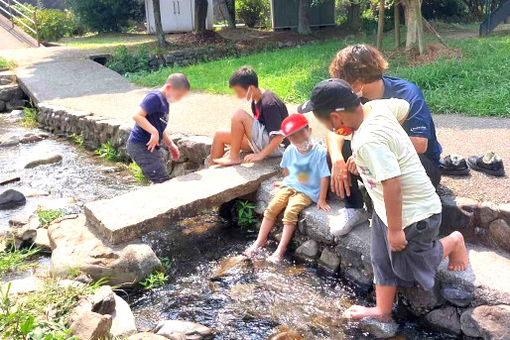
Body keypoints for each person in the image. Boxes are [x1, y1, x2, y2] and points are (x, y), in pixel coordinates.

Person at [302, 78, 468, 321]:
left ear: (337, 118)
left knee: (409, 267)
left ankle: (454, 242)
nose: (329, 129)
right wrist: (375, 156)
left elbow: (393, 185)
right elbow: (404, 107)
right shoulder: (376, 108)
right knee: (381, 260)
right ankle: (382, 310)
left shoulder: (369, 140)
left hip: (414, 212)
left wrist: (396, 230)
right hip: (384, 209)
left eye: (326, 123)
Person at [316, 44, 442, 232]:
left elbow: (420, 144)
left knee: (374, 158)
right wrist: (337, 160)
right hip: (378, 157)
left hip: (421, 164)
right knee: (336, 150)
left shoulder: (407, 94)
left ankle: (392, 215)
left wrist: (363, 156)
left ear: (357, 84)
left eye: (342, 83)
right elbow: (335, 130)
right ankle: (354, 208)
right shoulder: (352, 100)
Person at [245, 114, 331, 262]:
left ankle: (281, 249)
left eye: (301, 135)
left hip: (308, 191)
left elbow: (324, 177)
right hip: (291, 185)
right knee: (272, 207)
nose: (299, 141)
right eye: (293, 138)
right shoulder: (291, 150)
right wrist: (286, 181)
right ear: (289, 139)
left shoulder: (319, 153)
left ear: (309, 131)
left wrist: (322, 199)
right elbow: (286, 169)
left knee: (291, 211)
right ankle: (260, 240)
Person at [211, 66, 289, 166]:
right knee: (219, 135)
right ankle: (211, 170)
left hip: (278, 147)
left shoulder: (269, 103)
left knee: (239, 115)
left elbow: (279, 137)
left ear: (251, 88)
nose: (238, 96)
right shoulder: (255, 100)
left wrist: (260, 155)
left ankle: (234, 157)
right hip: (263, 141)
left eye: (239, 92)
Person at [126, 73, 190, 183]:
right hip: (140, 145)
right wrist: (154, 132)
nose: (179, 99)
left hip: (148, 147)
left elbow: (160, 126)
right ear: (169, 88)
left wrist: (170, 144)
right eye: (178, 95)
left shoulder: (165, 102)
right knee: (162, 180)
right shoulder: (155, 97)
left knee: (159, 179)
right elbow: (137, 115)